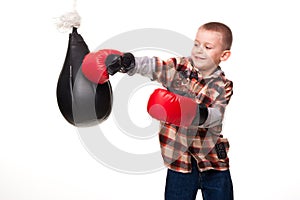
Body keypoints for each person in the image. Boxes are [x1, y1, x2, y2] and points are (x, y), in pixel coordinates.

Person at [82, 22, 234, 200]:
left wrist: (190, 111)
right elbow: (155, 66)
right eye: (196, 44)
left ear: (224, 55)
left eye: (208, 47)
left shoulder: (223, 85)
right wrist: (129, 62)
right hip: (180, 161)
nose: (199, 50)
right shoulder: (179, 68)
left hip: (213, 162)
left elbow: (216, 115)